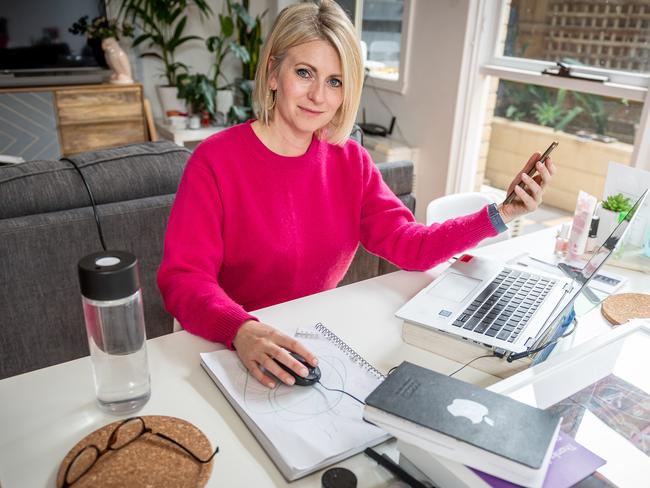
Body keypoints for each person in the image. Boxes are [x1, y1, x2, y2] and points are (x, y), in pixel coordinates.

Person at [158, 0, 555, 389]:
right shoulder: (215, 160)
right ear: (273, 73)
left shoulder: (350, 160)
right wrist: (241, 329)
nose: (319, 96)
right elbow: (183, 278)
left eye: (335, 81)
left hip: (312, 340)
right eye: (304, 72)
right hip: (229, 343)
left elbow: (411, 246)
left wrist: (501, 213)